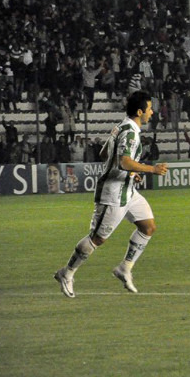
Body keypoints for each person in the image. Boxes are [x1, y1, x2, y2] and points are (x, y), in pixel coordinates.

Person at [53, 91, 169, 298]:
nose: (152, 112)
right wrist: (151, 169)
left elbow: (105, 153)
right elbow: (123, 161)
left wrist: (132, 173)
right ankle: (67, 272)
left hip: (128, 190)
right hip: (113, 193)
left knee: (148, 226)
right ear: (140, 111)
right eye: (150, 109)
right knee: (97, 239)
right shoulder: (131, 132)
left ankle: (125, 268)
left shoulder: (121, 126)